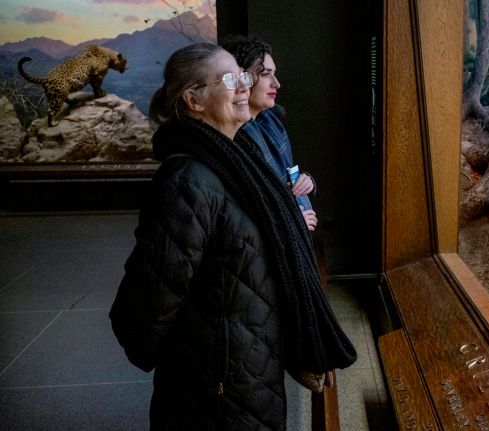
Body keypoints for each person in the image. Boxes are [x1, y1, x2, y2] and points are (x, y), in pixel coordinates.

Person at [109, 43, 356, 430]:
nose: (243, 86)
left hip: (250, 371)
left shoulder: (238, 164)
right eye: (230, 79)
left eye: (243, 76)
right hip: (216, 390)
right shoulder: (189, 182)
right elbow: (142, 314)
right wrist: (206, 355)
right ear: (194, 100)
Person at [221, 36, 318, 231]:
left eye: (274, 74)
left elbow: (287, 173)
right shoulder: (234, 136)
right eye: (265, 74)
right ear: (240, 77)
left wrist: (306, 180)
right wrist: (290, 220)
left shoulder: (270, 121)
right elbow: (241, 209)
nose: (276, 83)